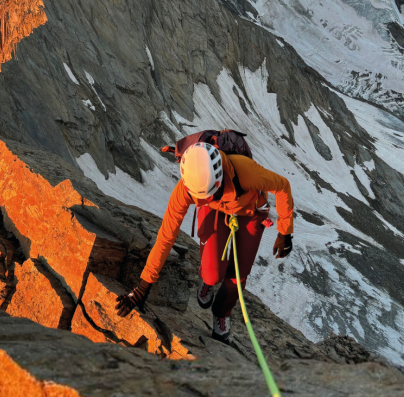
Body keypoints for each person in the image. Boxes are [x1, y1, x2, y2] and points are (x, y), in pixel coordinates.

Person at [115, 141, 294, 343]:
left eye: (210, 193)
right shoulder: (187, 189)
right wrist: (142, 288)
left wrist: (285, 232)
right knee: (212, 274)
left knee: (238, 276)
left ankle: (221, 314)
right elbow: (166, 236)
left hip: (250, 212)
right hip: (214, 209)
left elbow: (282, 186)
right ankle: (207, 280)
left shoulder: (246, 172)